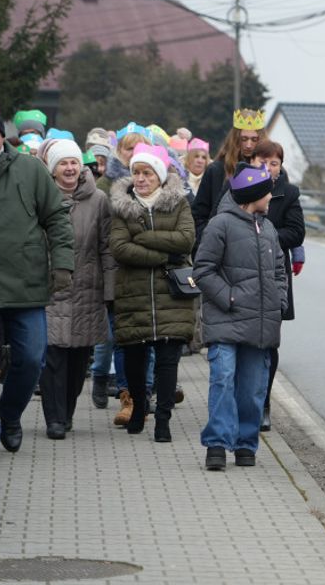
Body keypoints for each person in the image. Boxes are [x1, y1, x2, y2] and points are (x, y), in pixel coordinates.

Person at [0, 100, 75, 460]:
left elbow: (56, 218)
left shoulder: (29, 169)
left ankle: (8, 413)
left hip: (25, 280)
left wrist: (63, 265)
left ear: (0, 136)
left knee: (32, 356)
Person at [195, 163, 288, 470]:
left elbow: (279, 272)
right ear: (254, 195)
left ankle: (246, 444)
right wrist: (229, 297)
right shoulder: (220, 225)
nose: (271, 196)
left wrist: (279, 301)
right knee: (222, 380)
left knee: (252, 389)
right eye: (267, 191)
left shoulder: (269, 228)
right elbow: (203, 270)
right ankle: (217, 445)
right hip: (226, 320)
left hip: (259, 324)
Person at [108, 143, 196, 441]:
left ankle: (163, 420)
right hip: (134, 294)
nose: (141, 179)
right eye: (136, 173)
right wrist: (162, 256)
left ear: (159, 175)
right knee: (134, 358)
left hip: (171, 296)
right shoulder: (122, 206)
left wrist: (144, 237)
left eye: (147, 173)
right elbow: (120, 248)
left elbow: (185, 240)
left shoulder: (178, 203)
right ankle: (138, 408)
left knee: (168, 360)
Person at [39, 139, 115, 439]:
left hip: (87, 288)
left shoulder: (98, 200)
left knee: (78, 359)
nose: (69, 168)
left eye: (73, 162)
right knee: (52, 356)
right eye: (63, 163)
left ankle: (67, 412)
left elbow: (107, 247)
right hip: (50, 289)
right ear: (52, 169)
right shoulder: (41, 196)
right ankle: (54, 418)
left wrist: (109, 290)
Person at [250, 140, 305, 432]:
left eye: (274, 163)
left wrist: (264, 237)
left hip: (274, 271)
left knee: (269, 340)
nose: (269, 168)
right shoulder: (237, 187)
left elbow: (296, 232)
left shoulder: (288, 192)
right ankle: (246, 399)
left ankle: (264, 402)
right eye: (263, 161)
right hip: (242, 270)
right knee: (245, 340)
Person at [191, 108, 265, 242]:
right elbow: (199, 214)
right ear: (236, 139)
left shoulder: (273, 172)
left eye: (254, 139)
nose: (249, 145)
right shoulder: (216, 170)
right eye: (244, 139)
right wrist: (208, 239)